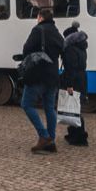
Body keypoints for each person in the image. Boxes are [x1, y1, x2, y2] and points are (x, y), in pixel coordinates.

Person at [19, 9, 64, 153]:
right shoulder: (56, 32)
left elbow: (26, 49)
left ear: (40, 17)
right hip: (52, 76)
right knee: (49, 108)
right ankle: (51, 140)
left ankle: (44, 136)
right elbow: (63, 49)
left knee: (26, 104)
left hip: (38, 75)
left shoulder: (38, 30)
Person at [61, 22, 90, 147]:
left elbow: (70, 69)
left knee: (74, 109)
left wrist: (69, 85)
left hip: (74, 81)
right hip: (81, 79)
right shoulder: (81, 47)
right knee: (74, 108)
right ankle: (73, 133)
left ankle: (79, 137)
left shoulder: (70, 49)